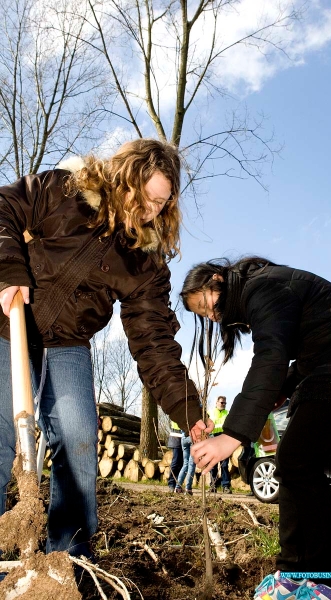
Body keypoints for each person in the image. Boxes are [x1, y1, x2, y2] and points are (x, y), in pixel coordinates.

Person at [0, 139, 212, 560]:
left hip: (68, 343)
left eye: (161, 204)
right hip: (9, 323)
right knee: (1, 433)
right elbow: (4, 207)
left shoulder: (144, 261)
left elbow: (154, 342)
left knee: (79, 438)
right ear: (123, 176)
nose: (151, 211)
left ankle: (69, 560)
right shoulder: (64, 190)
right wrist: (8, 268)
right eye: (146, 196)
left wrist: (189, 412)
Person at [180, 257, 331, 600]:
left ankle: (326, 583)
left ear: (216, 280)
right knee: (293, 462)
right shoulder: (262, 288)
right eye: (202, 314)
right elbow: (298, 352)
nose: (210, 316)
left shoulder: (262, 287)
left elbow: (271, 356)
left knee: (298, 461)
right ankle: (294, 574)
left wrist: (233, 435)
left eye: (206, 305)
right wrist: (271, 395)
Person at [208, 395, 232, 493]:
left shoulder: (228, 413)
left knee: (224, 464)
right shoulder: (210, 413)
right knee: (213, 464)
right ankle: (213, 485)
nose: (223, 404)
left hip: (224, 439)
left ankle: (225, 486)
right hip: (213, 438)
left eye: (225, 403)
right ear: (216, 402)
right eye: (222, 402)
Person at [167, 420, 183, 492]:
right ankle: (171, 484)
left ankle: (178, 484)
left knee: (182, 464)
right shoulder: (177, 410)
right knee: (175, 462)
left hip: (184, 438)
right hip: (176, 438)